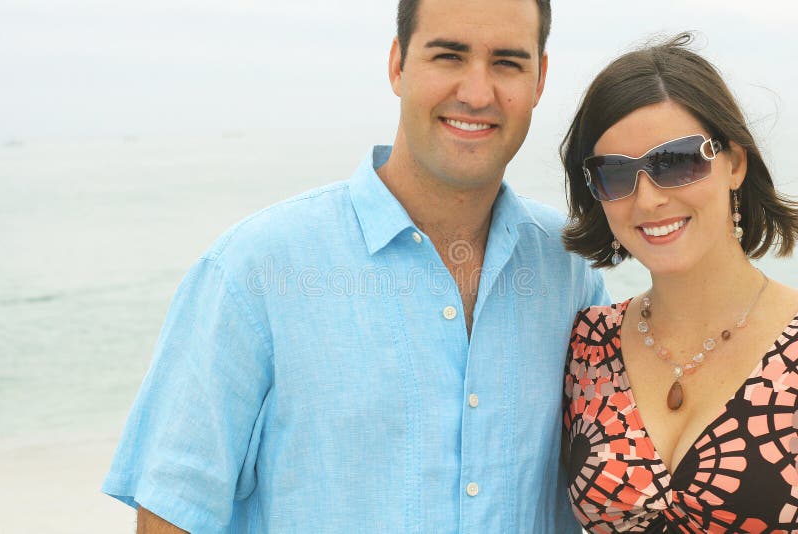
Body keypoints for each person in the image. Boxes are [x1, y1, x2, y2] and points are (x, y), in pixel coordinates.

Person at [103, 0, 608, 531]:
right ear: (397, 65)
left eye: (507, 62)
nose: (477, 93)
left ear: (540, 80)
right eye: (448, 56)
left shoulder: (569, 270)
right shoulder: (254, 271)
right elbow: (172, 517)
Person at [561, 33, 798, 532]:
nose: (647, 200)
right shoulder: (586, 346)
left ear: (734, 162)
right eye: (615, 174)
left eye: (676, 162)